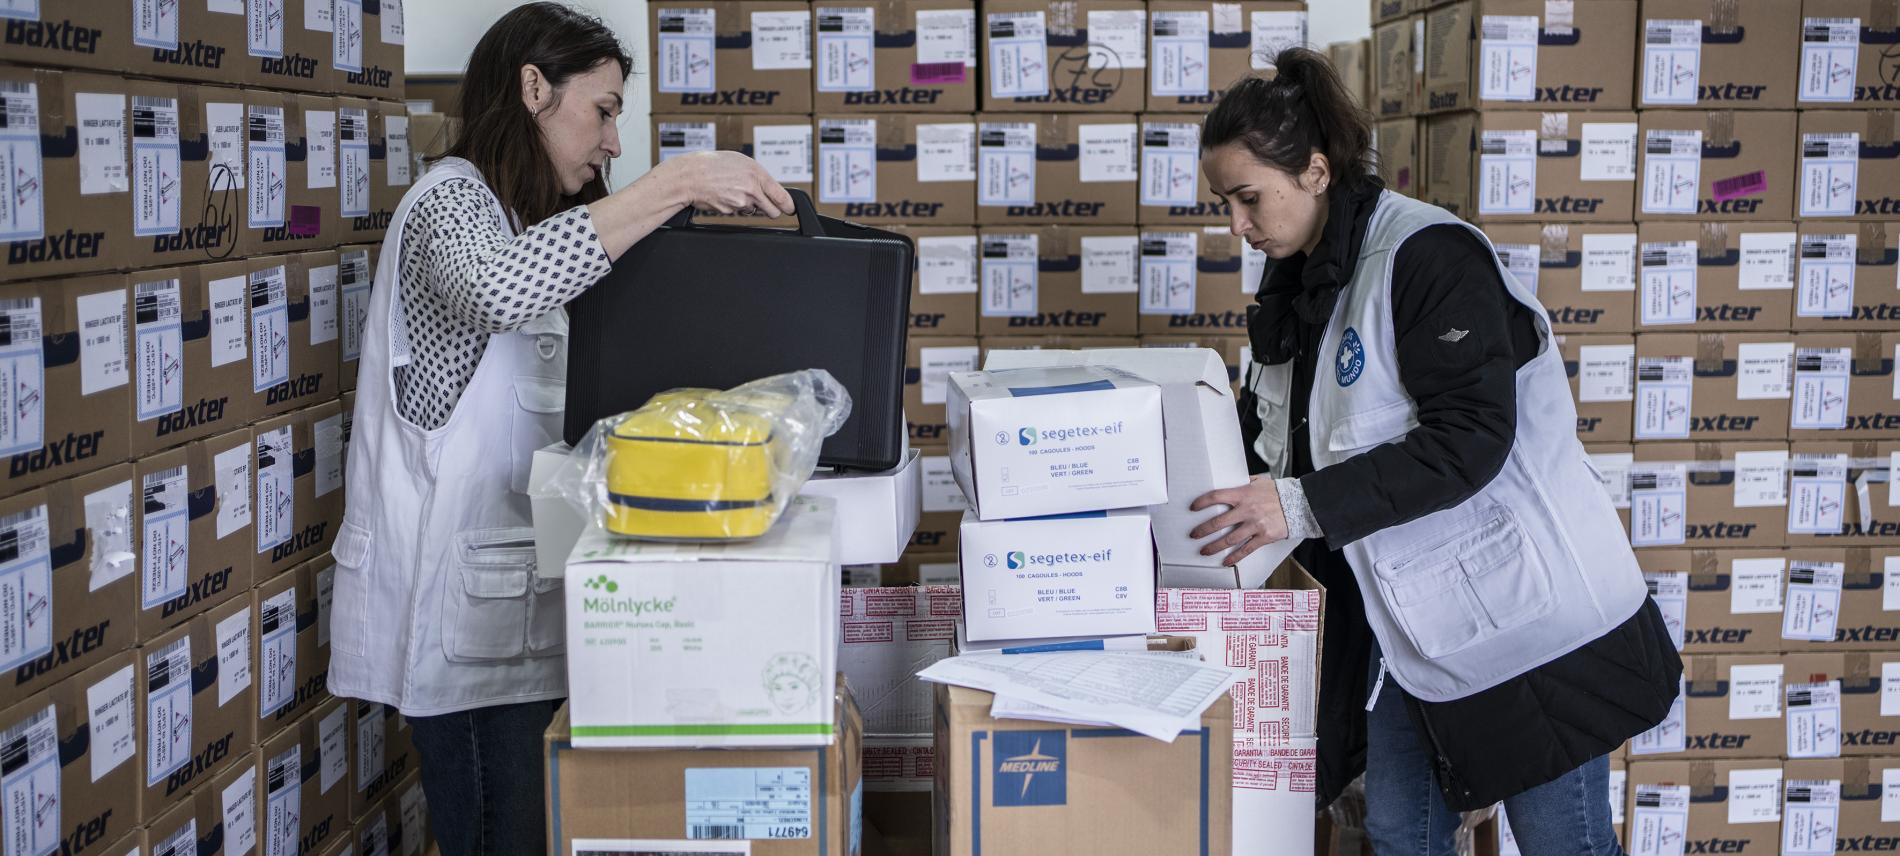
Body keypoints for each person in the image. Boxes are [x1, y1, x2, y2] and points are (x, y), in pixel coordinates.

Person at [1187, 48, 1682, 856]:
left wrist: (1296, 503)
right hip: (1409, 627)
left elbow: (1470, 439)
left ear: (1315, 172)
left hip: (1524, 624)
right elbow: (1278, 443)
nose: (1235, 226)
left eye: (1248, 199)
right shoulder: (1299, 291)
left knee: (1561, 840)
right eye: (1225, 203)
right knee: (1397, 832)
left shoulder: (1426, 257)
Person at [325, 5, 794, 854]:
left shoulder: (534, 220)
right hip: (464, 644)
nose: (613, 140)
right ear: (533, 88)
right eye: (604, 110)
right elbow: (496, 290)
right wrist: (679, 180)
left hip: (530, 620)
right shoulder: (450, 203)